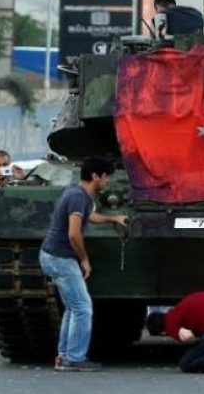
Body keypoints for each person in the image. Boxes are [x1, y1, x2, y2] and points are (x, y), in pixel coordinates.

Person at [39, 156, 128, 372]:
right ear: (95, 176)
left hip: (52, 256)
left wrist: (113, 218)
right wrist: (84, 260)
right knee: (83, 308)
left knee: (73, 307)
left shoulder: (77, 192)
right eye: (105, 177)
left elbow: (90, 217)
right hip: (61, 258)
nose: (106, 181)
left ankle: (65, 356)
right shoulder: (79, 197)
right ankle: (75, 358)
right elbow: (73, 233)